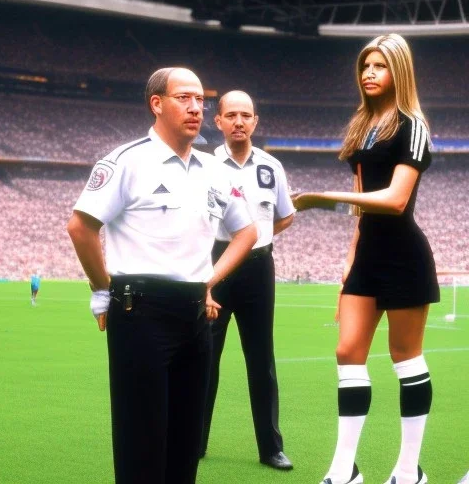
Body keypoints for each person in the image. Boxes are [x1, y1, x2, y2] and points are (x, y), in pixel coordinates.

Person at [67, 68, 258, 484]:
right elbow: (81, 227)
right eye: (183, 98)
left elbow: (248, 232)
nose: (195, 108)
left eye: (201, 101)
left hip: (194, 313)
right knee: (142, 440)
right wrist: (103, 289)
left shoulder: (215, 170)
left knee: (185, 441)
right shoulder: (127, 161)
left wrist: (210, 279)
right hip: (140, 310)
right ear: (157, 103)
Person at [292, 34, 439, 484]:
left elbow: (395, 201)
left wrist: (320, 199)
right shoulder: (362, 126)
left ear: (400, 72)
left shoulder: (412, 126)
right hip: (368, 257)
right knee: (347, 351)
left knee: (405, 358)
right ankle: (345, 470)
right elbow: (360, 207)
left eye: (380, 66)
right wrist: (347, 269)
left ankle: (408, 470)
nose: (369, 74)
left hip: (404, 257)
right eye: (365, 67)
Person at [200, 91, 295, 470]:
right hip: (215, 265)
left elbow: (285, 215)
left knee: (261, 360)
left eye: (246, 115)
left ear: (255, 121)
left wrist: (256, 242)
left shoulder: (272, 167)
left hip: (258, 269)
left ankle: (271, 448)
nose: (239, 121)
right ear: (218, 121)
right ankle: (195, 440)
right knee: (206, 356)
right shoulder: (205, 166)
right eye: (231, 115)